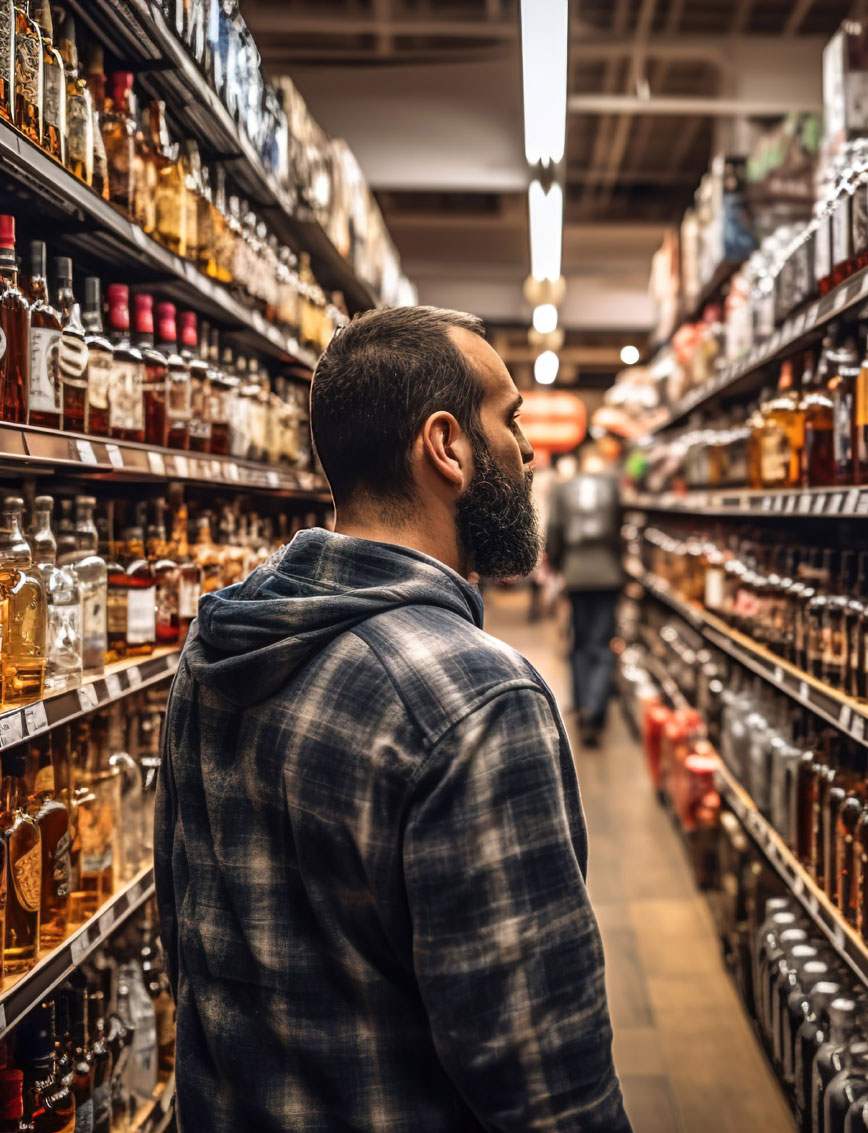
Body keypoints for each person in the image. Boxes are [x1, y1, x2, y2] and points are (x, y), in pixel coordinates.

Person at [155, 305, 631, 1132]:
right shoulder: (477, 701)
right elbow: (551, 1088)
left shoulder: (213, 650)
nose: (529, 449)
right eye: (510, 419)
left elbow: (185, 947)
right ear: (445, 446)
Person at [546, 440, 625, 747]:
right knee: (602, 643)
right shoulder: (613, 486)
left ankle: (581, 705)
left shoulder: (564, 489)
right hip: (607, 572)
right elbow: (620, 527)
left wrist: (557, 565)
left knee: (579, 642)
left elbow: (554, 530)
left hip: (576, 573)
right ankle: (596, 708)